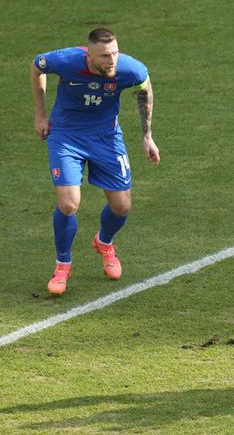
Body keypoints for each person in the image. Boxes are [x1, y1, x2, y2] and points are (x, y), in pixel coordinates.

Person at [30, 28, 160, 295]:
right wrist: (40, 115)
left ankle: (104, 242)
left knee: (122, 206)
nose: (111, 60)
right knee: (68, 204)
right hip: (66, 135)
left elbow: (145, 89)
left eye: (114, 53)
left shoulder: (129, 69)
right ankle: (63, 265)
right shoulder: (66, 61)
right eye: (104, 56)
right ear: (88, 55)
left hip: (106, 137)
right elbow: (37, 66)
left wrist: (147, 136)